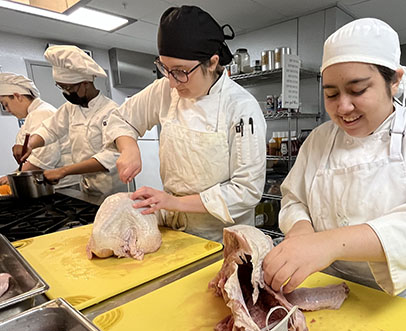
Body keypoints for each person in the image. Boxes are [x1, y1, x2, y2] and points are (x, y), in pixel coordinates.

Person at [263, 18, 406, 312]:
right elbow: (294, 198)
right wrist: (301, 231)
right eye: (331, 94)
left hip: (402, 298)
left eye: (357, 90)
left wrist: (328, 244)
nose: (342, 107)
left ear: (394, 81)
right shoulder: (320, 139)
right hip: (327, 287)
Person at [105, 5, 266, 242]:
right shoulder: (164, 90)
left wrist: (174, 202)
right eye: (165, 69)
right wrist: (129, 147)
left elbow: (246, 191)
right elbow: (121, 118)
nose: (171, 83)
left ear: (212, 63)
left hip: (222, 238)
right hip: (174, 230)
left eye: (180, 72)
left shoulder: (241, 107)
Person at [13, 45, 125, 197]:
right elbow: (49, 129)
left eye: (69, 88)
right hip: (86, 186)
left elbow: (111, 156)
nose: (66, 93)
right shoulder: (70, 109)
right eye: (61, 88)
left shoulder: (110, 111)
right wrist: (30, 145)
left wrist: (64, 170)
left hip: (112, 189)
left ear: (86, 83)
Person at [0, 72, 77, 188]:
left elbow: (43, 158)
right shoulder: (34, 114)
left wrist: (13, 178)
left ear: (17, 96)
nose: (7, 110)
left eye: (6, 104)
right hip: (53, 184)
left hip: (63, 186)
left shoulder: (41, 113)